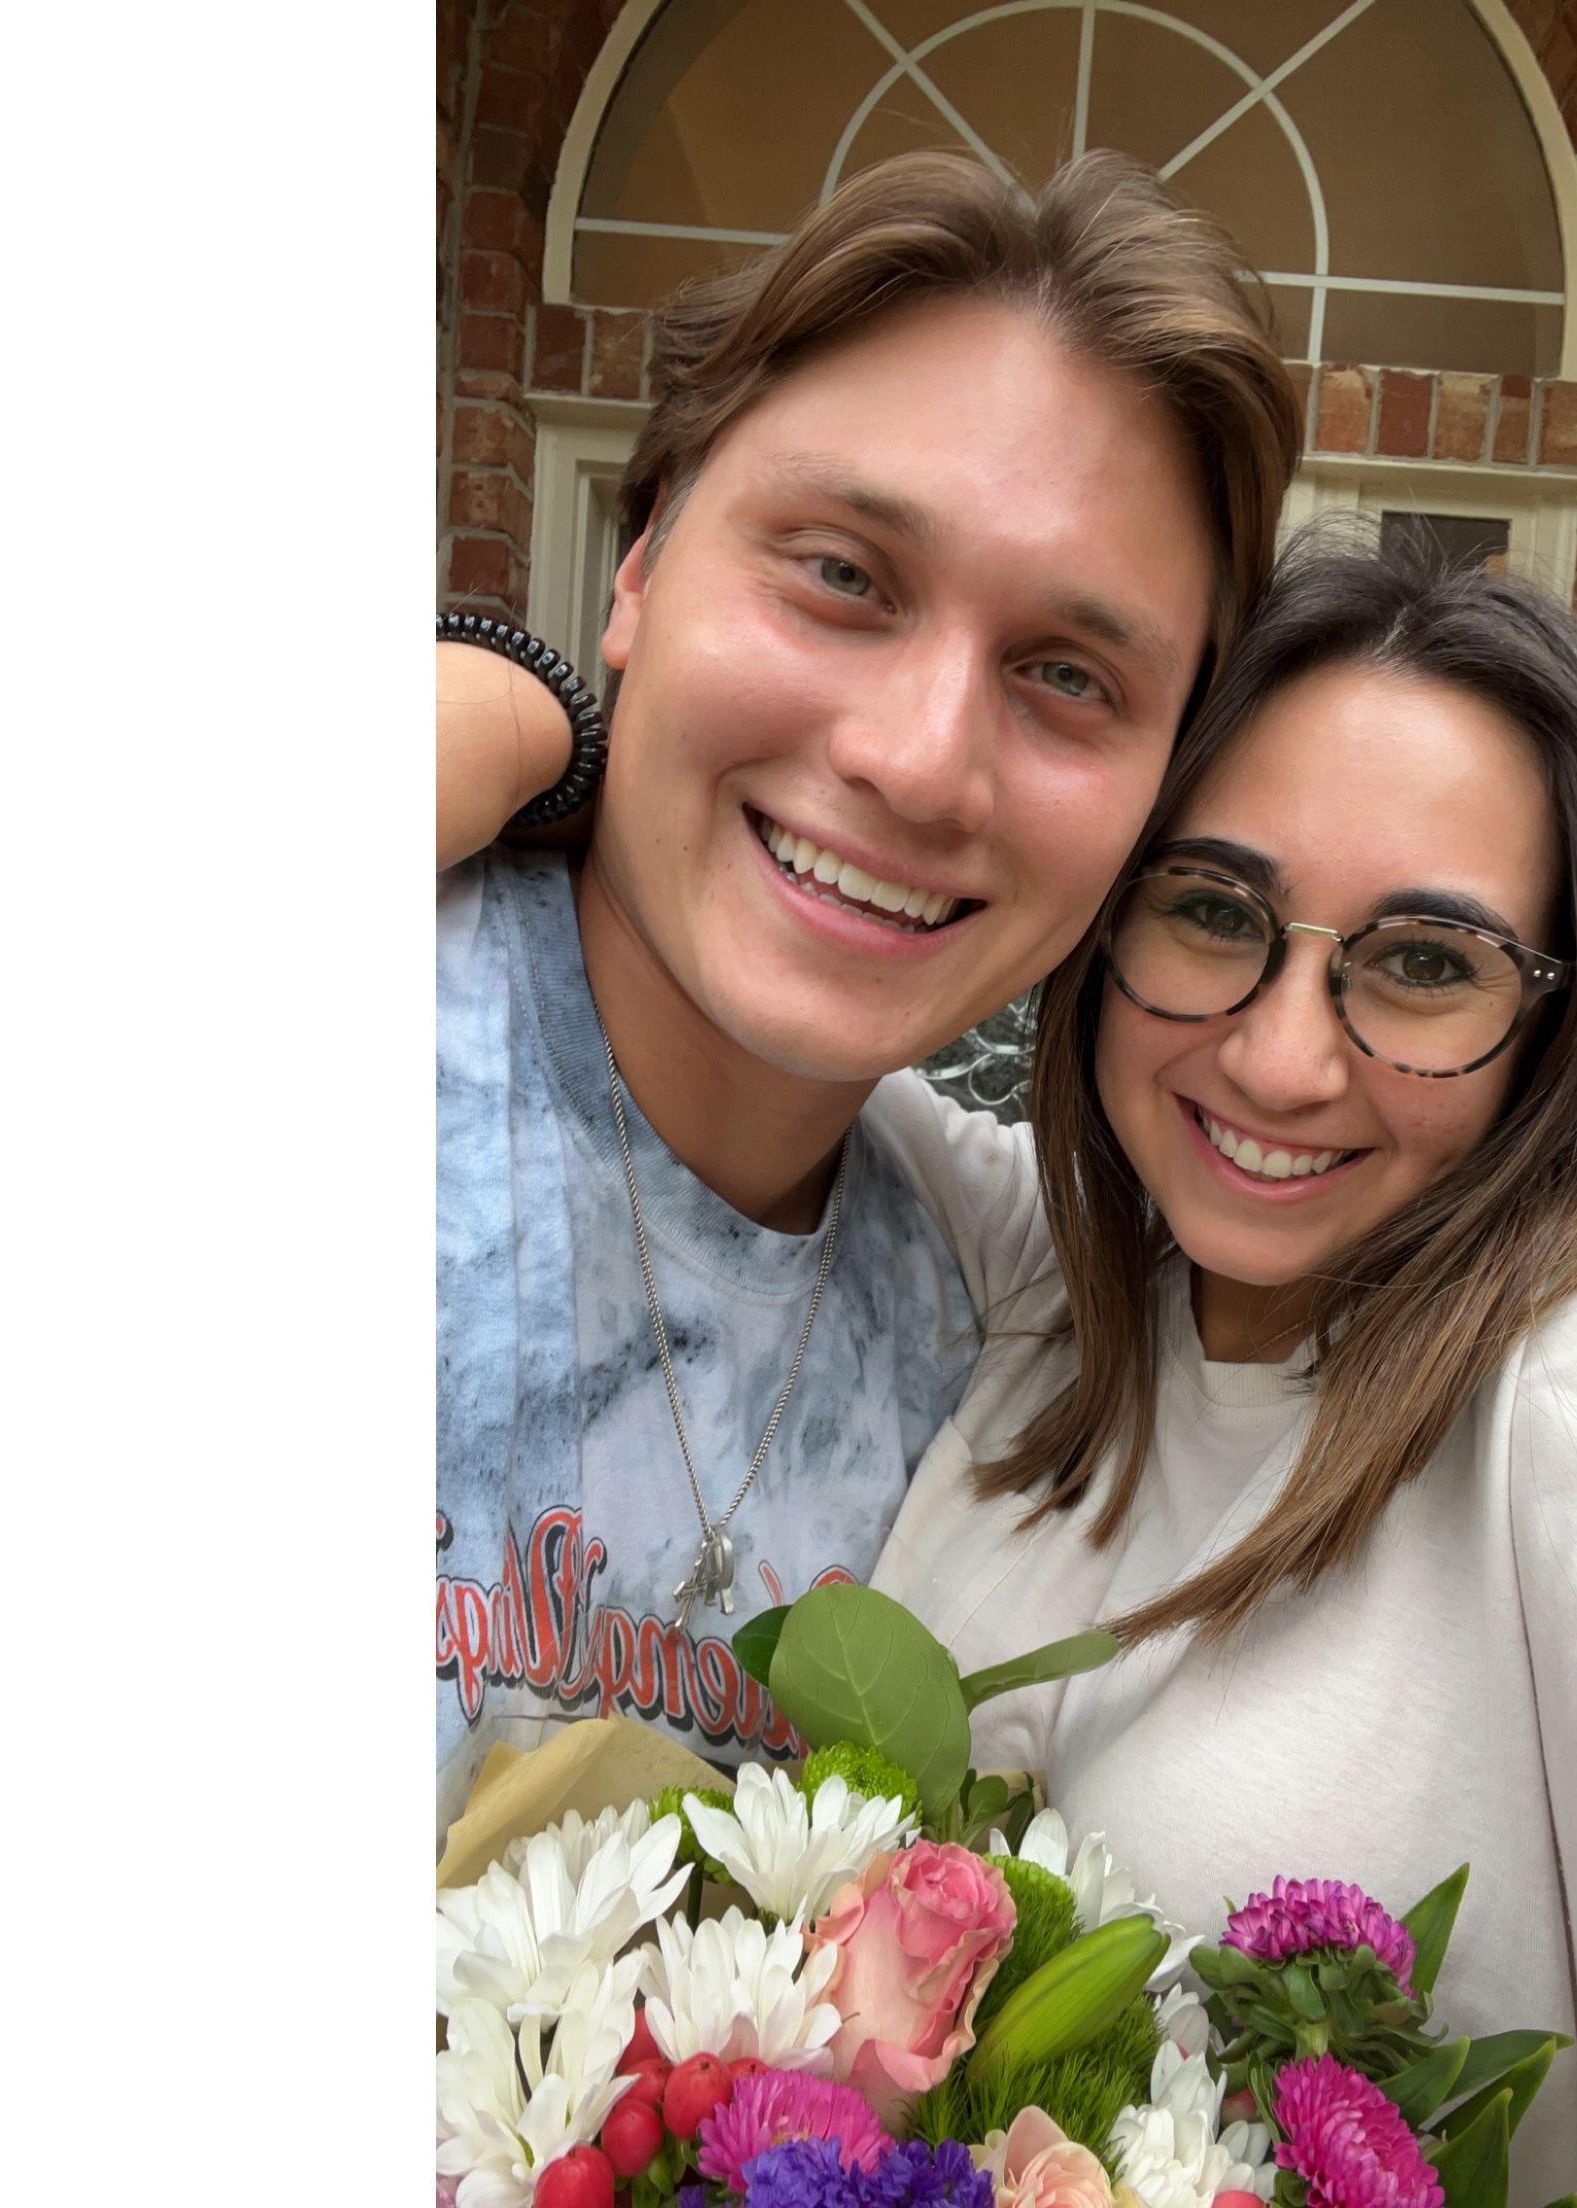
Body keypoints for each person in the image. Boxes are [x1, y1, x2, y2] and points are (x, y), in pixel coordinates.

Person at [433, 148, 1299, 1840]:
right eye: (840, 572)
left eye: (1069, 676)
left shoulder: (1024, 1357)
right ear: (638, 569)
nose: (917, 764)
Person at [858, 530, 1577, 2207]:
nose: (1282, 1061)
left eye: (1429, 962)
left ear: (1563, 1022)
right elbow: (700, 980)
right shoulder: (1050, 1283)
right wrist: (537, 701)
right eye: (1214, 912)